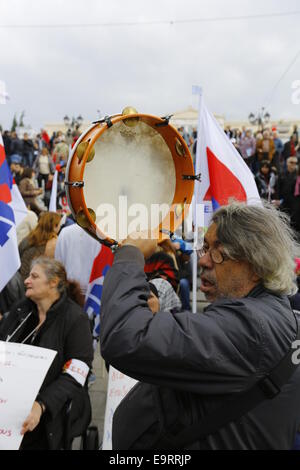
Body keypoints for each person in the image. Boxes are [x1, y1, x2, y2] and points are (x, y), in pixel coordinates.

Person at [100, 203, 300, 450]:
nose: (203, 260)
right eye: (205, 247)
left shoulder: (252, 328)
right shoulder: (267, 314)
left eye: (219, 252)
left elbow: (124, 336)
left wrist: (130, 255)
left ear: (256, 266)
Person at [0, 256, 94, 449]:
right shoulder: (21, 310)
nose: (26, 281)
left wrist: (41, 405)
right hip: (10, 402)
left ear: (53, 283)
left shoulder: (75, 319)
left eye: (34, 276)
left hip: (49, 411)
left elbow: (76, 373)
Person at [19, 211, 62, 281]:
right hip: (36, 281)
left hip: (20, 279)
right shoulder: (54, 243)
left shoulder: (28, 238)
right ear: (55, 226)